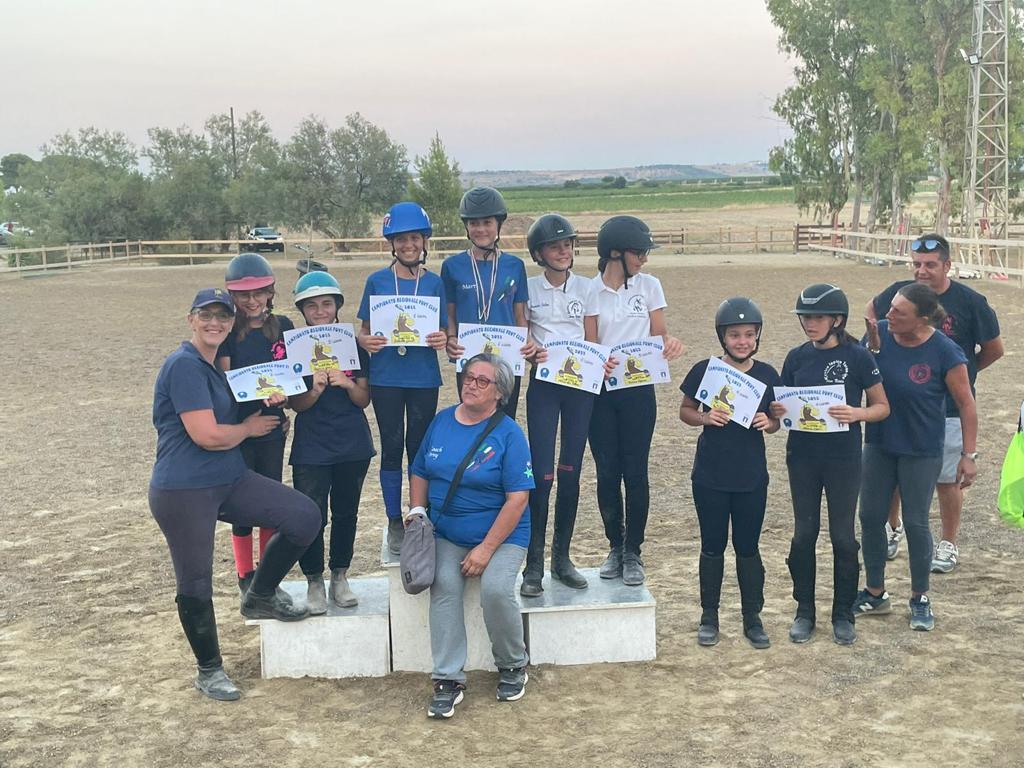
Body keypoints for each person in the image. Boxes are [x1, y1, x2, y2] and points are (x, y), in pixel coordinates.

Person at [149, 288, 319, 701]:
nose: (215, 323)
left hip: (229, 479)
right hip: (184, 488)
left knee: (304, 516)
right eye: (206, 315)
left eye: (223, 317)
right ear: (191, 319)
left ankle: (259, 594)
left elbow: (240, 404)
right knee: (195, 579)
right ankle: (209, 669)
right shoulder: (184, 366)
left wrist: (273, 404)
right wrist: (248, 430)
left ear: (231, 323)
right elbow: (207, 435)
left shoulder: (212, 367)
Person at [864, 234, 1001, 571]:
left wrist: (955, 376)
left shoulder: (971, 301)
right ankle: (892, 528)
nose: (921, 271)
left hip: (949, 409)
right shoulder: (899, 294)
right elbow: (871, 313)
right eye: (917, 264)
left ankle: (948, 542)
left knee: (946, 479)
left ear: (947, 265)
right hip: (902, 405)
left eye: (930, 264)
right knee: (895, 473)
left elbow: (994, 349)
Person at [408, 354, 534, 719]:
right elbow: (420, 470)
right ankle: (447, 679)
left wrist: (486, 549)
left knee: (495, 588)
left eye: (482, 381)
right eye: (468, 376)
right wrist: (417, 511)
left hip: (503, 534)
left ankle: (512, 663)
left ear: (500, 393)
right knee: (444, 584)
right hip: (448, 530)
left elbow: (517, 500)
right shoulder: (441, 421)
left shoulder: (510, 434)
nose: (471, 384)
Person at [768, 284, 890, 646]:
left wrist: (857, 413)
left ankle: (842, 613)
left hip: (843, 458)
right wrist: (776, 411)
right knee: (804, 534)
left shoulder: (859, 357)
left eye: (817, 317)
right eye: (805, 317)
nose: (809, 323)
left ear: (837, 320)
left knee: (843, 537)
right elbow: (781, 410)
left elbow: (882, 406)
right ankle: (804, 610)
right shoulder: (796, 357)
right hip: (802, 457)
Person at [853, 283, 977, 631]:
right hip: (879, 443)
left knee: (916, 521)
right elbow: (858, 377)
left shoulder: (945, 351)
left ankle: (920, 597)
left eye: (899, 312)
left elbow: (966, 404)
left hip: (922, 449)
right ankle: (875, 592)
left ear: (922, 319)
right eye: (890, 307)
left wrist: (968, 454)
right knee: (870, 516)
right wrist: (870, 351)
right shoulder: (878, 335)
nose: (889, 314)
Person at [585, 215, 683, 586]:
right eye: (638, 252)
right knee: (607, 471)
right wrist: (598, 360)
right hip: (601, 393)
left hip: (639, 390)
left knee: (636, 471)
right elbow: (591, 342)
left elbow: (659, 334)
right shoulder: (589, 291)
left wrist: (669, 344)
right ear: (615, 253)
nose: (644, 259)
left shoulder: (649, 286)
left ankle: (633, 550)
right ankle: (615, 545)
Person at [679, 297, 780, 649]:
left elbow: (777, 420)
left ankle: (753, 617)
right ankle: (709, 615)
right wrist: (705, 417)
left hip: (751, 477)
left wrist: (770, 422)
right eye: (735, 335)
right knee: (712, 546)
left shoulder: (767, 375)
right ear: (722, 336)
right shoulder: (705, 371)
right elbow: (686, 410)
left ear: (757, 336)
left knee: (748, 548)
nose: (742, 341)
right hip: (711, 475)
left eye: (749, 334)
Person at [357, 203, 448, 556]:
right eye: (401, 239)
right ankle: (394, 519)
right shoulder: (377, 281)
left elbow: (444, 330)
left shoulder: (435, 283)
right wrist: (365, 341)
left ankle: (419, 513)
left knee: (420, 448)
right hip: (387, 378)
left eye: (414, 238)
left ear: (424, 242)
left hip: (423, 377)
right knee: (392, 447)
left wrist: (441, 337)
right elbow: (364, 331)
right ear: (392, 244)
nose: (408, 245)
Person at [288, 271, 375, 613]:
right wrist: (315, 389)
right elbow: (297, 405)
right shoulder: (295, 348)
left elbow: (363, 399)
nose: (320, 311)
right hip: (311, 445)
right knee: (311, 515)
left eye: (327, 304)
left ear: (337, 306)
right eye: (312, 306)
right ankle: (313, 580)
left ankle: (340, 575)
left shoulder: (353, 345)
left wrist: (348, 384)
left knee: (346, 513)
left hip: (352, 442)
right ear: (302, 310)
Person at [520, 213, 596, 596]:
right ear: (539, 254)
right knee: (541, 474)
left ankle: (561, 558)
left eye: (567, 245)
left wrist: (600, 359)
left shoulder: (588, 287)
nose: (563, 251)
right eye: (554, 246)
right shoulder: (529, 289)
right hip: (545, 387)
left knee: (570, 471)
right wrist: (530, 348)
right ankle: (533, 563)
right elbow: (522, 333)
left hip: (580, 387)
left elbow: (593, 338)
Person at [217, 252, 296, 605]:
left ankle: (267, 575)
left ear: (270, 292)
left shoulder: (284, 327)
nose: (251, 301)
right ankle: (244, 575)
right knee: (241, 505)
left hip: (273, 427)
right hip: (240, 428)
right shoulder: (228, 332)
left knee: (269, 500)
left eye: (258, 293)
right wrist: (245, 420)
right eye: (243, 295)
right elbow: (224, 381)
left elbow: (292, 375)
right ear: (232, 296)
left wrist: (286, 399)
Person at [442, 186, 535, 419]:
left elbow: (519, 315)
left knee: (504, 420)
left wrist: (527, 341)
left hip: (507, 359)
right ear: (466, 226)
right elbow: (450, 313)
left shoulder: (515, 266)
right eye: (474, 223)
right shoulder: (452, 266)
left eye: (487, 222)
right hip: (469, 360)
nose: (481, 229)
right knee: (472, 417)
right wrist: (451, 338)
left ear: (498, 224)